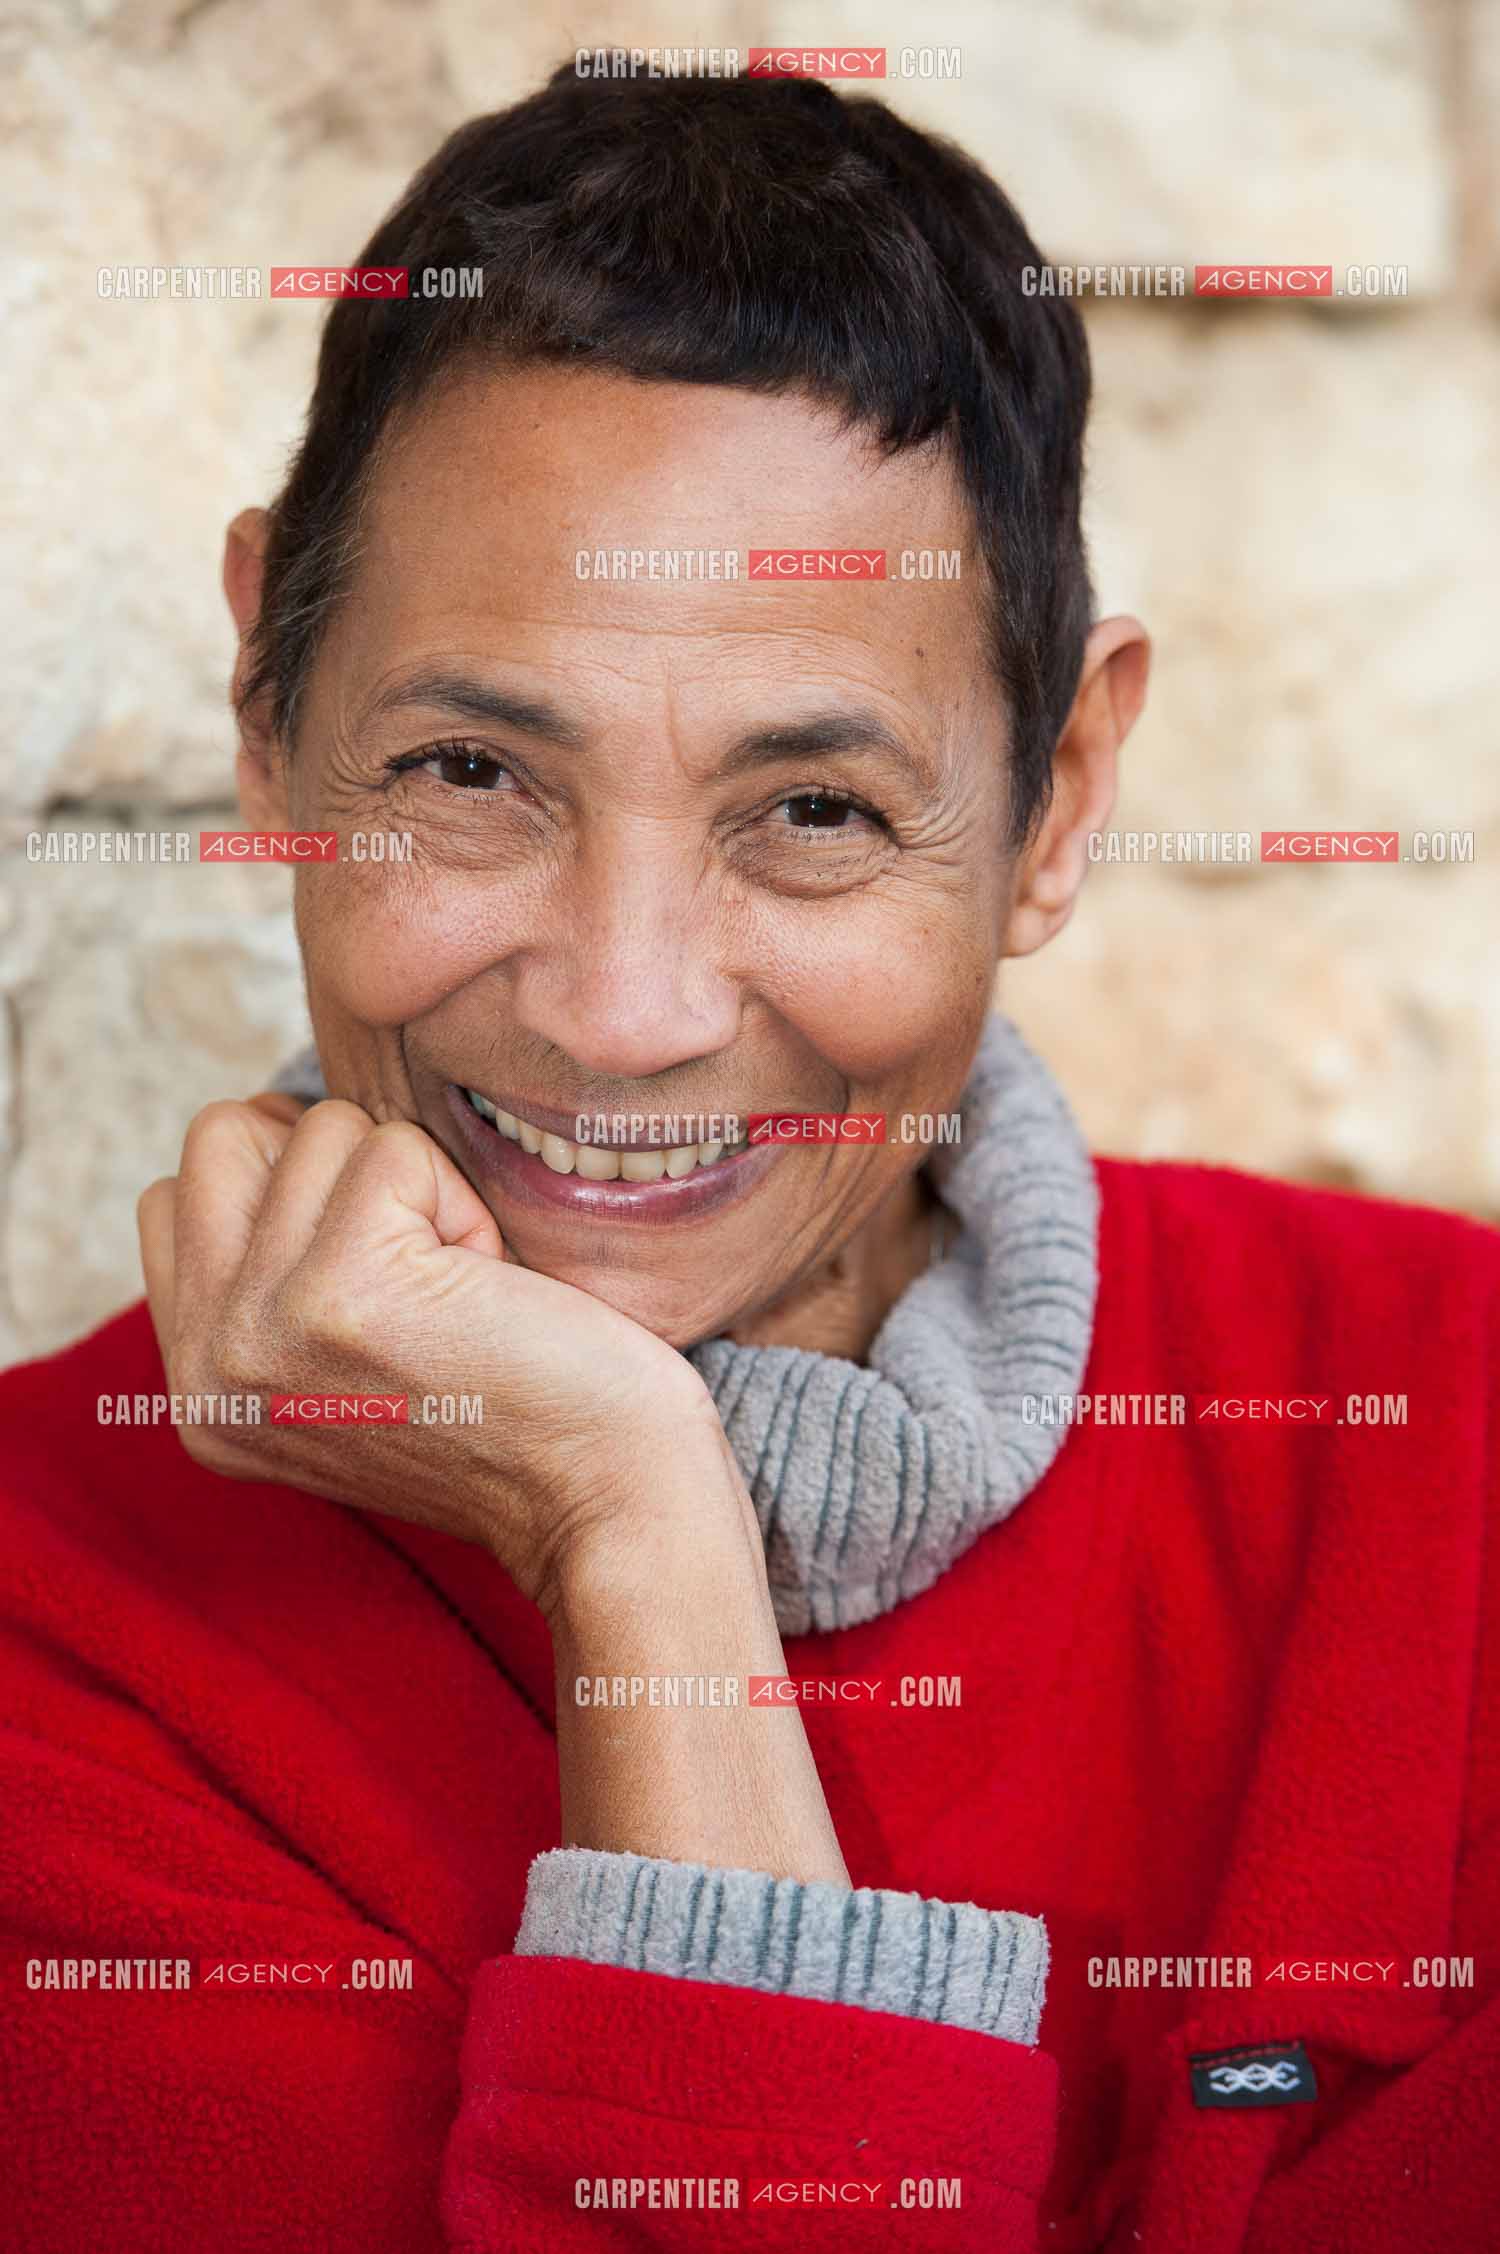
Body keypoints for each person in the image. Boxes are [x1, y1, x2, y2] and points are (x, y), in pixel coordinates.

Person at [2, 61, 1496, 2254]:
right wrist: (636, 1537)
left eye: (811, 811)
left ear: (1064, 797)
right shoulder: (56, 1631)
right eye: (468, 769)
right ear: (266, 706)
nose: (625, 1008)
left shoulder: (1444, 1444)